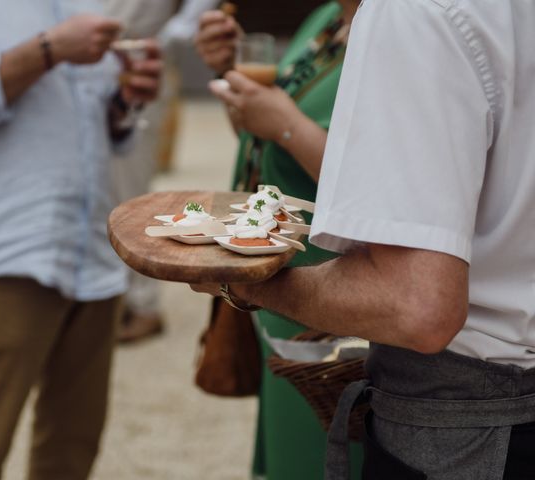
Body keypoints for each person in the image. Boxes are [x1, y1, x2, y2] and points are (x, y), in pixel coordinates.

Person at [193, 0, 535, 478]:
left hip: (459, 407)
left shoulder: (408, 12)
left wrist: (242, 281)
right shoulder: (333, 21)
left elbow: (420, 306)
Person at [0, 0, 161, 478]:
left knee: (73, 448)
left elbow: (94, 127)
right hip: (7, 246)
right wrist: (48, 50)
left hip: (92, 250)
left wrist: (126, 103)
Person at [195, 2, 363, 479]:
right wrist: (230, 73)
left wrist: (285, 123)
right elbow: (263, 140)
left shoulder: (405, 25)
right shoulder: (329, 17)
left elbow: (381, 189)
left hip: (341, 304)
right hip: (284, 289)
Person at [103, 0, 219, 343]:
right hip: (92, 62)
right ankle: (117, 296)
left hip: (139, 57)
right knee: (106, 186)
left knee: (131, 189)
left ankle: (144, 305)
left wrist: (173, 34)